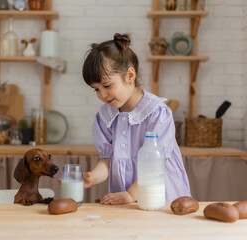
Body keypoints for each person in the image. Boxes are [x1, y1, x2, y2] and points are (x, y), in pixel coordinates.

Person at [82, 33, 191, 205]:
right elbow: (107, 160)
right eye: (95, 89)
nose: (102, 95)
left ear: (130, 76)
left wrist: (131, 194)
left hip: (160, 196)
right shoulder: (105, 118)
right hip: (125, 198)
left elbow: (156, 163)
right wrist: (93, 177)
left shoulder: (157, 113)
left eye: (107, 86)